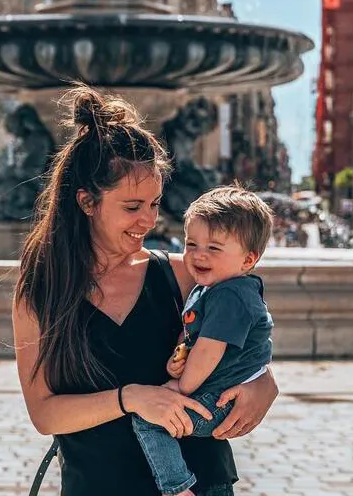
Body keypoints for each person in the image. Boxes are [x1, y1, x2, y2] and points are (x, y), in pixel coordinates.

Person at [13, 86, 278, 496]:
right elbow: (45, 414)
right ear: (87, 202)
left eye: (155, 204)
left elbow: (244, 344)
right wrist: (131, 398)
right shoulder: (40, 292)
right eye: (132, 207)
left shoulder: (183, 275)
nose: (148, 221)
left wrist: (263, 386)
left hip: (201, 483)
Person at [131, 186, 274, 496]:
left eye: (213, 247)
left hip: (219, 401)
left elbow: (209, 351)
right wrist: (179, 359)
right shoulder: (210, 288)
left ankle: (178, 487)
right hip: (217, 391)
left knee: (151, 421)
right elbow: (194, 338)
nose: (198, 255)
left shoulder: (230, 296)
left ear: (248, 259)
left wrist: (179, 388)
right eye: (191, 243)